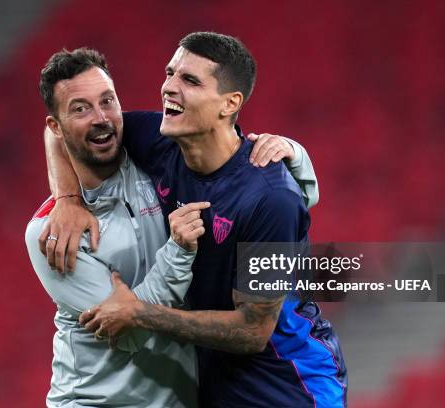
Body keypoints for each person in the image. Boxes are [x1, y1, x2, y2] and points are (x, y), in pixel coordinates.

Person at [46, 33, 346, 408]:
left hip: (287, 384)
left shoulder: (269, 198)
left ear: (230, 103)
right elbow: (64, 129)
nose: (169, 87)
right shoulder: (160, 141)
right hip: (212, 383)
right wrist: (69, 199)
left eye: (189, 80)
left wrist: (141, 313)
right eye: (170, 73)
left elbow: (253, 330)